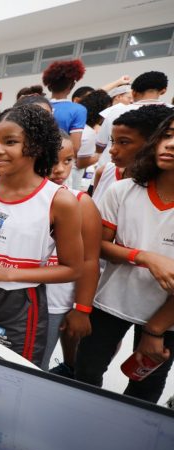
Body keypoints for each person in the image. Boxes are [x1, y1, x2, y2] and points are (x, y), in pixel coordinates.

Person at [0, 105, 83, 364]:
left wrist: (10, 273)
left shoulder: (58, 200)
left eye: (10, 142)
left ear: (37, 146)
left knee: (7, 369)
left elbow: (73, 269)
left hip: (18, 299)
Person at [75, 113, 174, 403]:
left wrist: (155, 330)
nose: (170, 144)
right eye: (167, 135)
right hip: (110, 302)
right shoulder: (123, 191)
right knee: (87, 371)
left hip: (166, 317)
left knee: (146, 387)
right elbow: (97, 247)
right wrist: (144, 256)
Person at [40, 131, 101, 376]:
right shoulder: (22, 198)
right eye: (53, 160)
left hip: (55, 302)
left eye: (68, 161)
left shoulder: (80, 202)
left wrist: (81, 308)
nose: (60, 169)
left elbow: (89, 260)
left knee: (36, 366)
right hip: (15, 298)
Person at [92, 105, 174, 204]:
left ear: (152, 141)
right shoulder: (104, 172)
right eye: (112, 141)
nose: (112, 150)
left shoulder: (162, 186)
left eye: (123, 142)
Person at [95, 71, 170, 167]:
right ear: (164, 90)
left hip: (110, 168)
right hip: (153, 171)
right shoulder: (170, 112)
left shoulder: (115, 111)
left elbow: (100, 145)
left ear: (133, 92)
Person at [42, 59, 87, 155]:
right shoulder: (78, 110)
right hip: (61, 161)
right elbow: (75, 147)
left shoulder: (37, 106)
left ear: (49, 86)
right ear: (72, 85)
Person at [72, 90, 112, 186]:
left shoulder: (76, 125)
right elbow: (80, 163)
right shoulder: (89, 132)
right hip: (73, 177)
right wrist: (101, 154)